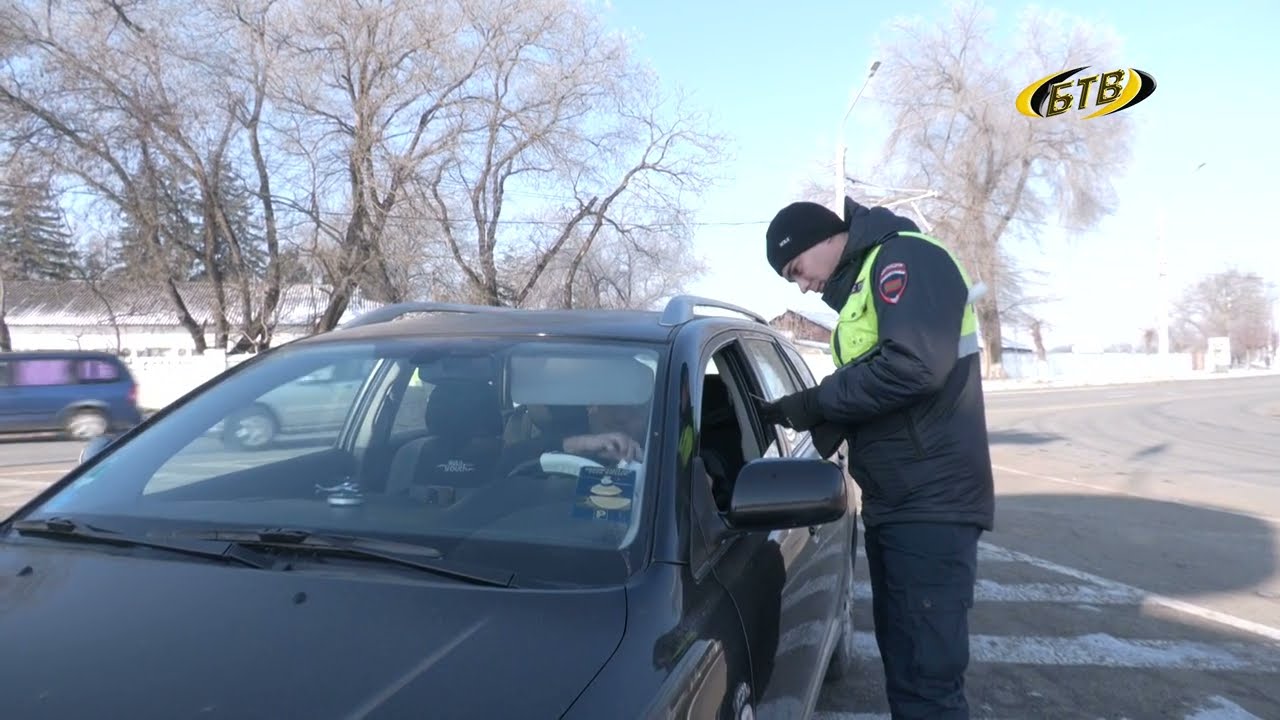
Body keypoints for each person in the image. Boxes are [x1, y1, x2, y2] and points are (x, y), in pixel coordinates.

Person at [757, 196, 995, 719]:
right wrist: (809, 418)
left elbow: (913, 366)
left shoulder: (904, 259)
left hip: (931, 506)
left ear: (822, 238)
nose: (803, 286)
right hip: (899, 502)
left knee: (927, 683)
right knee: (907, 673)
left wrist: (819, 402)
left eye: (797, 269)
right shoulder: (865, 286)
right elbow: (878, 387)